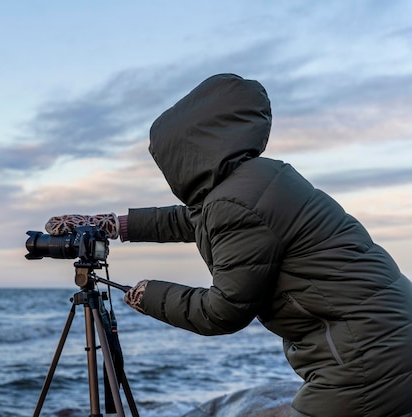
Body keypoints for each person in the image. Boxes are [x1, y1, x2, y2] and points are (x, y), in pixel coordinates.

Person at [44, 73, 412, 417]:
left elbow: (222, 311)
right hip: (387, 336)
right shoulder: (260, 179)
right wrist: (113, 224)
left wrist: (146, 294)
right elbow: (191, 218)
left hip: (365, 359)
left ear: (185, 150)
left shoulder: (235, 202)